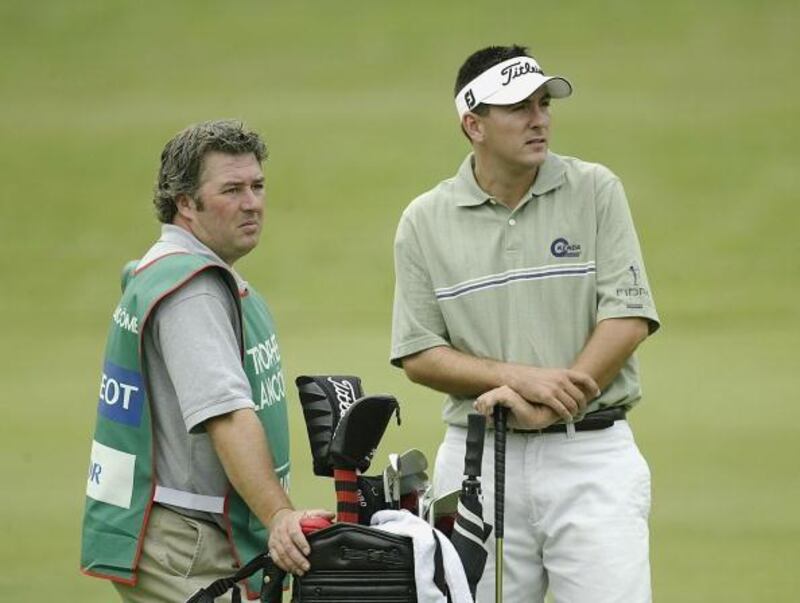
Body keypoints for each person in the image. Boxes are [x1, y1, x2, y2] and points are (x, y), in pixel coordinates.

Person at [391, 45, 660, 602]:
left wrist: (552, 403)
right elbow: (419, 352)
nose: (539, 118)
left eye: (543, 103)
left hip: (591, 457)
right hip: (478, 463)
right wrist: (522, 379)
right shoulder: (425, 221)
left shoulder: (594, 190)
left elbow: (627, 315)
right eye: (518, 107)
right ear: (474, 124)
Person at [81, 120, 333, 602]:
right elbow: (227, 414)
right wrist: (279, 516)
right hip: (187, 544)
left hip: (184, 534)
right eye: (232, 189)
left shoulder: (170, 272)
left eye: (257, 186)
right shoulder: (190, 291)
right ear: (185, 203)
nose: (252, 202)